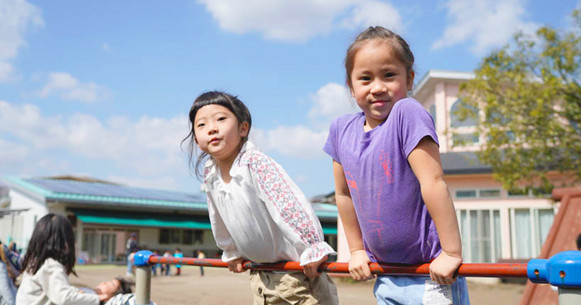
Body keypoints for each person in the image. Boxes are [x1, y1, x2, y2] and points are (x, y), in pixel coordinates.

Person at [324, 26, 470, 304]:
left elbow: (433, 181)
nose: (377, 87)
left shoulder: (407, 113)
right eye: (365, 78)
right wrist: (356, 250)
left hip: (430, 272)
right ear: (351, 86)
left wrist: (451, 253)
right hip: (385, 274)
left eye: (389, 75)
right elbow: (343, 194)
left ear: (409, 78)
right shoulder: (341, 129)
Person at [183, 91, 338, 304]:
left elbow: (288, 203)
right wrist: (232, 250)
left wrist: (312, 247)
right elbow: (217, 215)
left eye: (220, 119)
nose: (212, 128)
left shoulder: (254, 163)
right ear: (198, 141)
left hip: (297, 275)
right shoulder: (211, 174)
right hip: (261, 276)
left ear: (243, 128)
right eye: (201, 125)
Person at [15, 213, 110, 305]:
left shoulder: (36, 262)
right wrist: (97, 299)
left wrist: (75, 291)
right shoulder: (51, 266)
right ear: (65, 241)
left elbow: (55, 289)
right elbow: (63, 297)